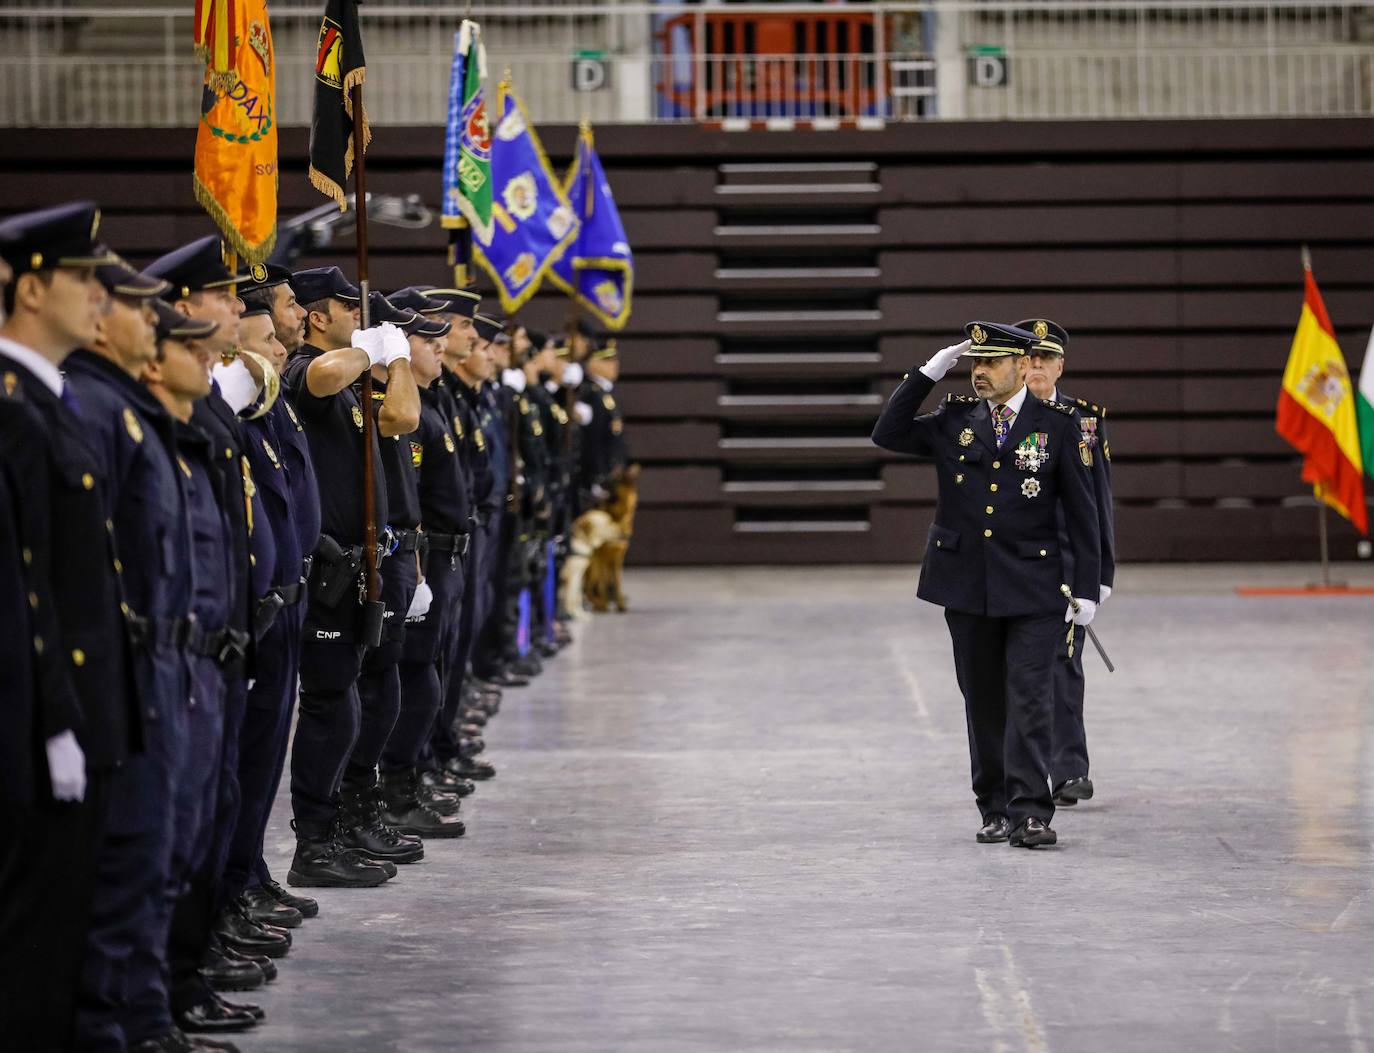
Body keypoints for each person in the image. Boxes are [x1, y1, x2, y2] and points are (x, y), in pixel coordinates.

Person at [870, 321, 1101, 849]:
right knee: (983, 701)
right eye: (974, 363)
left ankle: (1031, 814)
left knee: (1030, 699)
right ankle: (993, 807)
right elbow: (887, 433)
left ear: (1022, 366)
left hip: (1035, 585)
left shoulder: (1060, 425)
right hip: (967, 585)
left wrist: (1087, 588)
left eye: (990, 363)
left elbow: (1083, 515)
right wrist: (929, 371)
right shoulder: (954, 421)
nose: (978, 373)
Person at [63, 257, 211, 1053]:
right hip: (131, 665)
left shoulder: (131, 414)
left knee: (163, 853)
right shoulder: (93, 409)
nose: (151, 320)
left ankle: (147, 1019)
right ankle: (113, 1029)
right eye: (135, 306)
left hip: (171, 662)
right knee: (127, 867)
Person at [0, 202, 137, 1048]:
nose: (99, 295)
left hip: (83, 707)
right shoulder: (14, 408)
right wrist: (55, 717)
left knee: (63, 928)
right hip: (39, 717)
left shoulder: (50, 402)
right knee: (32, 947)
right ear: (30, 287)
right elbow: (26, 584)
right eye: (83, 278)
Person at [144, 236, 285, 1033]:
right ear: (183, 305)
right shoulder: (157, 411)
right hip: (178, 648)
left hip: (225, 634)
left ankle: (191, 965)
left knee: (214, 802)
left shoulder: (203, 401)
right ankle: (160, 993)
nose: (240, 308)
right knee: (174, 830)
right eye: (225, 298)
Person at [281, 266, 408, 889]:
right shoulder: (303, 369)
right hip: (329, 569)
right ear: (315, 316)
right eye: (345, 309)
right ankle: (314, 844)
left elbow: (401, 418)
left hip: (364, 568)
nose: (358, 320)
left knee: (350, 705)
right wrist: (367, 351)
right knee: (330, 708)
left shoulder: (354, 382)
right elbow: (325, 375)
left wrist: (396, 360)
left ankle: (334, 829)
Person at [226, 268, 323, 933]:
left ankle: (252, 870)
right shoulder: (236, 408)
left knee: (265, 760)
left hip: (288, 602)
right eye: (265, 337)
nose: (278, 350)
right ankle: (231, 887)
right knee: (243, 760)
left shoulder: (268, 402)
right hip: (254, 616)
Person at [1018, 318, 1116, 807]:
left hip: (1064, 566)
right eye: (1029, 357)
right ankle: (1024, 776)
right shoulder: (993, 420)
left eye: (1046, 358)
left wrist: (1101, 576)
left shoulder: (1085, 421)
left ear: (1060, 364)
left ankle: (1070, 770)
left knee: (1063, 666)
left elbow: (1099, 501)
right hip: (1014, 565)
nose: (1037, 365)